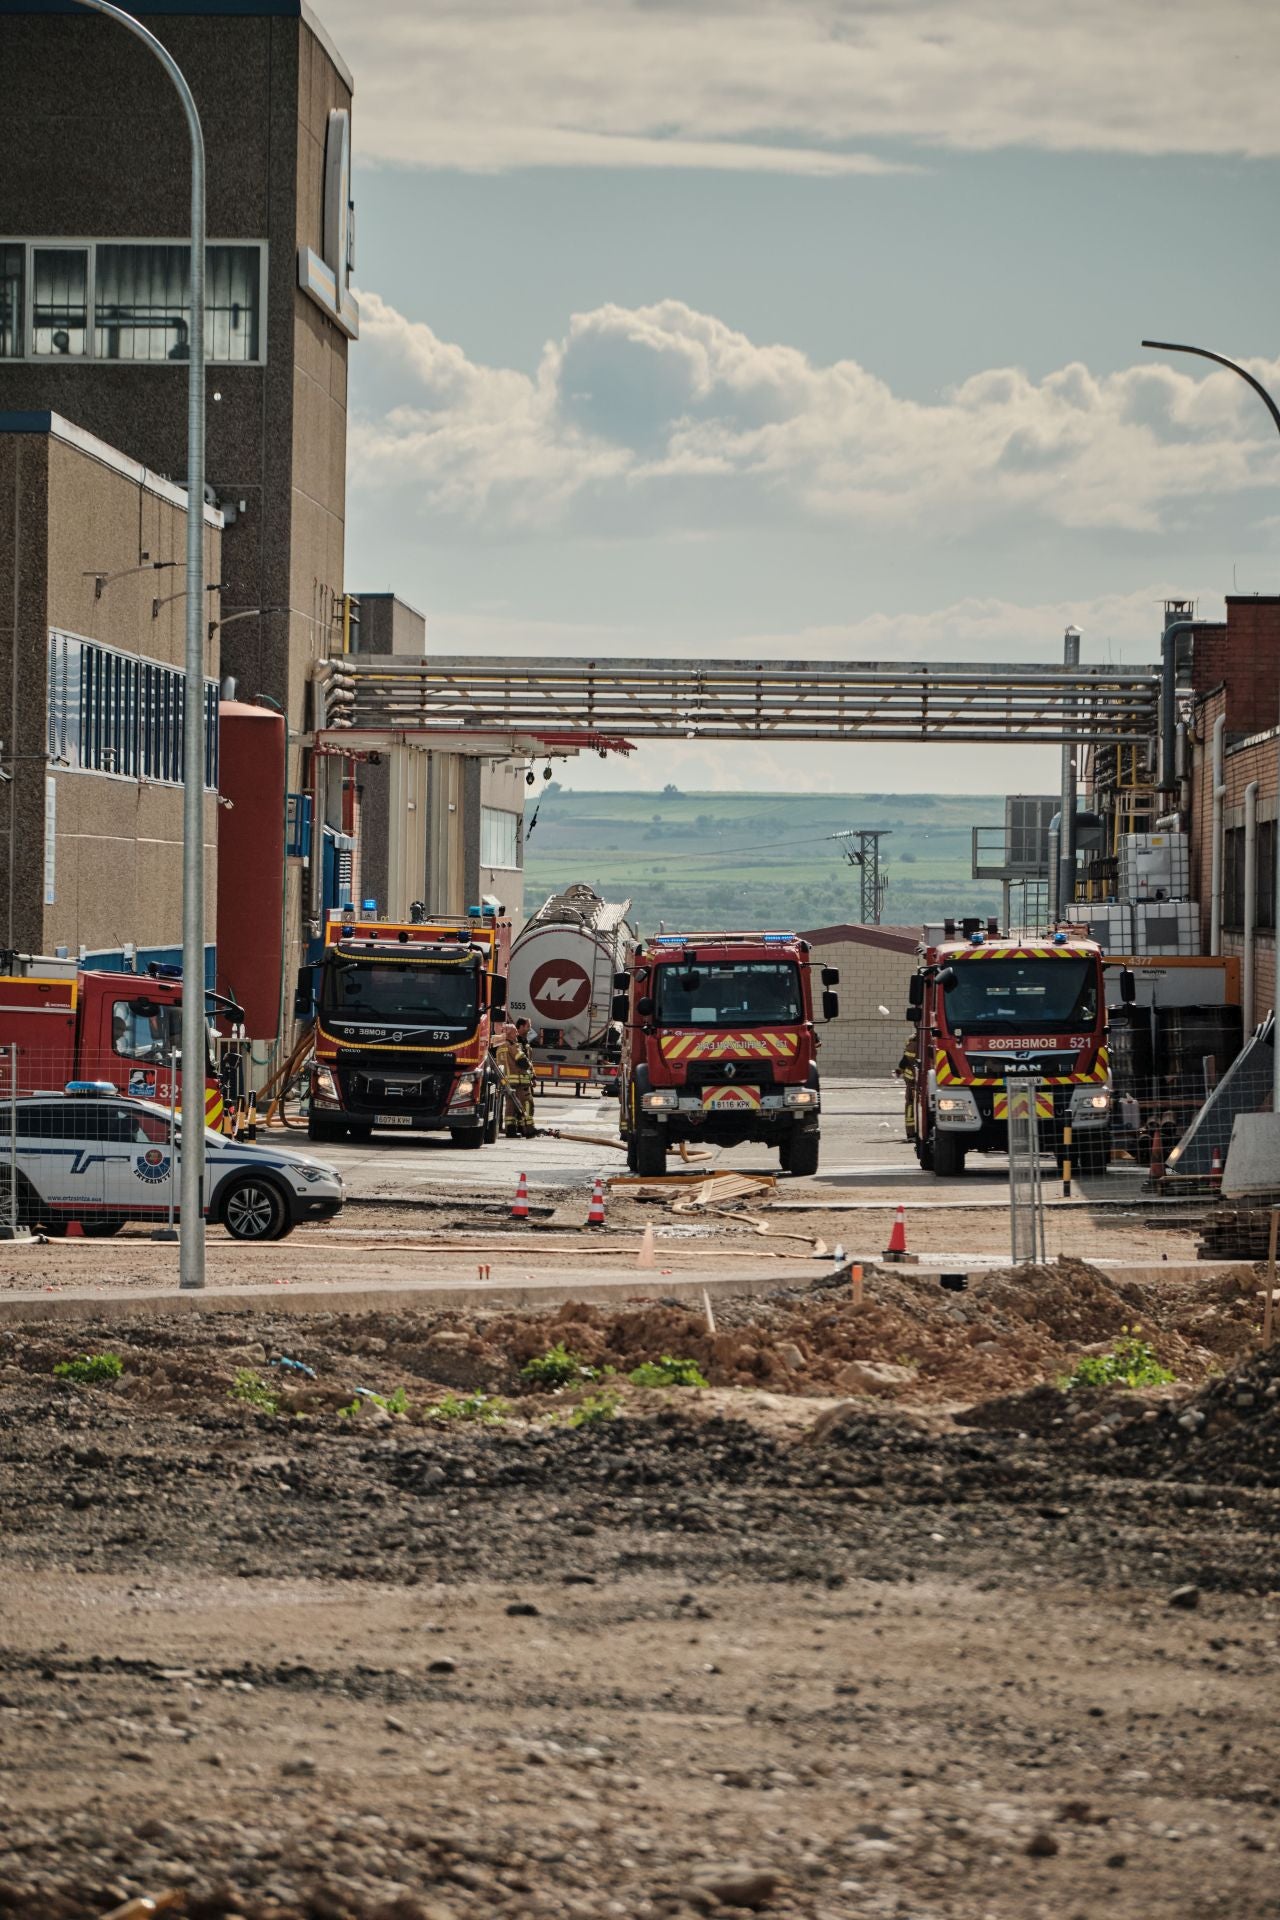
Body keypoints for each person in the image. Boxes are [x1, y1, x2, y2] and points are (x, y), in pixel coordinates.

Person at [496, 1021, 536, 1138]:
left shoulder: (500, 1047)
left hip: (507, 1082)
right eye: (515, 1032)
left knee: (510, 1107)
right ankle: (528, 1129)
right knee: (527, 1103)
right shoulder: (512, 1046)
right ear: (510, 1033)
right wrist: (529, 1064)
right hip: (519, 1082)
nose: (516, 1034)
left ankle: (511, 1130)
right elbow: (523, 1062)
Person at [894, 1032, 918, 1142]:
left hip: (912, 1081)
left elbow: (905, 1060)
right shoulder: (930, 1041)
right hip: (919, 1079)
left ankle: (911, 1133)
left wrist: (900, 1070)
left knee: (910, 1105)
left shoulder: (912, 1043)